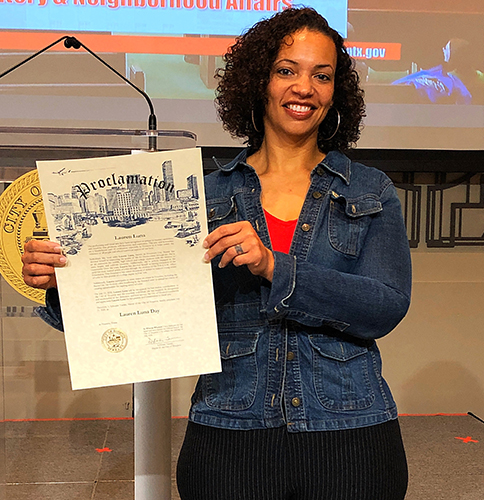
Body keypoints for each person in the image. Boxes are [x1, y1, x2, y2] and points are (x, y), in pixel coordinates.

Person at [22, 7, 412, 500]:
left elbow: (384, 305)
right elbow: (147, 306)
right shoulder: (198, 197)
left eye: (322, 75)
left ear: (336, 93)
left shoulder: (369, 188)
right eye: (286, 70)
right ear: (259, 82)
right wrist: (68, 284)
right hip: (229, 434)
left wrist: (274, 266)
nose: (304, 88)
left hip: (351, 436)